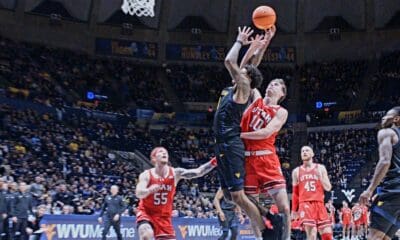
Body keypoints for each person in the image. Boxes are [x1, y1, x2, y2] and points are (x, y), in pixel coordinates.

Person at [213, 26, 270, 240]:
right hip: (220, 144)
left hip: (231, 142)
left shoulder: (244, 89)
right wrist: (258, 47)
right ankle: (264, 213)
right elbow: (248, 66)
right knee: (229, 196)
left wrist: (239, 41)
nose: (240, 70)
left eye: (243, 73)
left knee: (237, 195)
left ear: (247, 80)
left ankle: (267, 230)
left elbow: (230, 62)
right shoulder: (236, 87)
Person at [240, 74, 289, 239]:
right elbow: (248, 75)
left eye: (276, 84)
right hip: (247, 160)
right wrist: (257, 49)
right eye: (270, 83)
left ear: (282, 93)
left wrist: (239, 135)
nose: (271, 85)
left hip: (266, 158)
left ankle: (286, 238)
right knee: (250, 207)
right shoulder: (257, 99)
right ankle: (259, 238)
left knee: (285, 207)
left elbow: (267, 132)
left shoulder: (281, 112)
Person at [135, 147, 217, 239]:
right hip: (147, 213)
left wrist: (215, 161)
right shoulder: (146, 175)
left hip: (164, 217)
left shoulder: (175, 173)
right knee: (146, 234)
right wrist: (149, 190)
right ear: (154, 158)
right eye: (160, 152)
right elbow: (138, 193)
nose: (164, 153)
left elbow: (199, 172)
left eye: (165, 152)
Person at [359, 107, 400, 239]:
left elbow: (384, 161)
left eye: (387, 115)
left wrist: (370, 190)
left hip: (392, 192)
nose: (382, 117)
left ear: (396, 119)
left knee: (374, 237)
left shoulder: (387, 132)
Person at [291, 146, 333, 240]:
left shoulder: (321, 168)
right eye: (302, 151)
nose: (304, 152)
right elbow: (295, 193)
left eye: (307, 150)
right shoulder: (296, 171)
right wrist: (294, 210)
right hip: (305, 204)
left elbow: (328, 187)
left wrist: (320, 178)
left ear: (313, 154)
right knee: (312, 234)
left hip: (319, 204)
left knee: (327, 234)